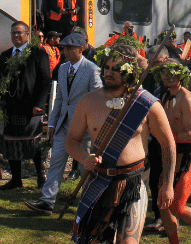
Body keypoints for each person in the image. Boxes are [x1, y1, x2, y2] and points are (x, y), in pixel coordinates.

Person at [66, 44, 176, 244]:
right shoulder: (88, 101)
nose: (108, 73)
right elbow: (71, 141)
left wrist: (168, 184)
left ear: (130, 72)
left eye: (116, 69)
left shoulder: (146, 103)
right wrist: (84, 158)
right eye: (106, 67)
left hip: (133, 183)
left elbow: (168, 144)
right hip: (98, 180)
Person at [25, 33, 102, 215]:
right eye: (64, 48)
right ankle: (47, 201)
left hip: (84, 129)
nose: (65, 51)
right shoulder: (63, 68)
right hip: (63, 126)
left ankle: (90, 202)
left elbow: (97, 99)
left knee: (86, 166)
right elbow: (60, 98)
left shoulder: (92, 70)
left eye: (68, 48)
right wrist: (52, 122)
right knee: (56, 162)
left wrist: (90, 125)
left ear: (80, 49)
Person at [0, 21, 51, 190]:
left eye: (20, 33)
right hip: (10, 107)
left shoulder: (38, 53)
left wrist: (39, 104)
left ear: (28, 35)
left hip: (31, 107)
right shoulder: (6, 55)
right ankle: (16, 179)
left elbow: (44, 80)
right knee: (11, 142)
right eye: (13, 33)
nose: (16, 36)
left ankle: (41, 176)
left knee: (33, 141)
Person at [151, 60, 191, 244]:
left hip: (188, 157)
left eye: (171, 73)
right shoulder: (164, 96)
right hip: (169, 156)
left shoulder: (188, 99)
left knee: (176, 207)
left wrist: (164, 137)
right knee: (163, 204)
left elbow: (190, 135)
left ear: (181, 76)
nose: (166, 76)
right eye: (163, 72)